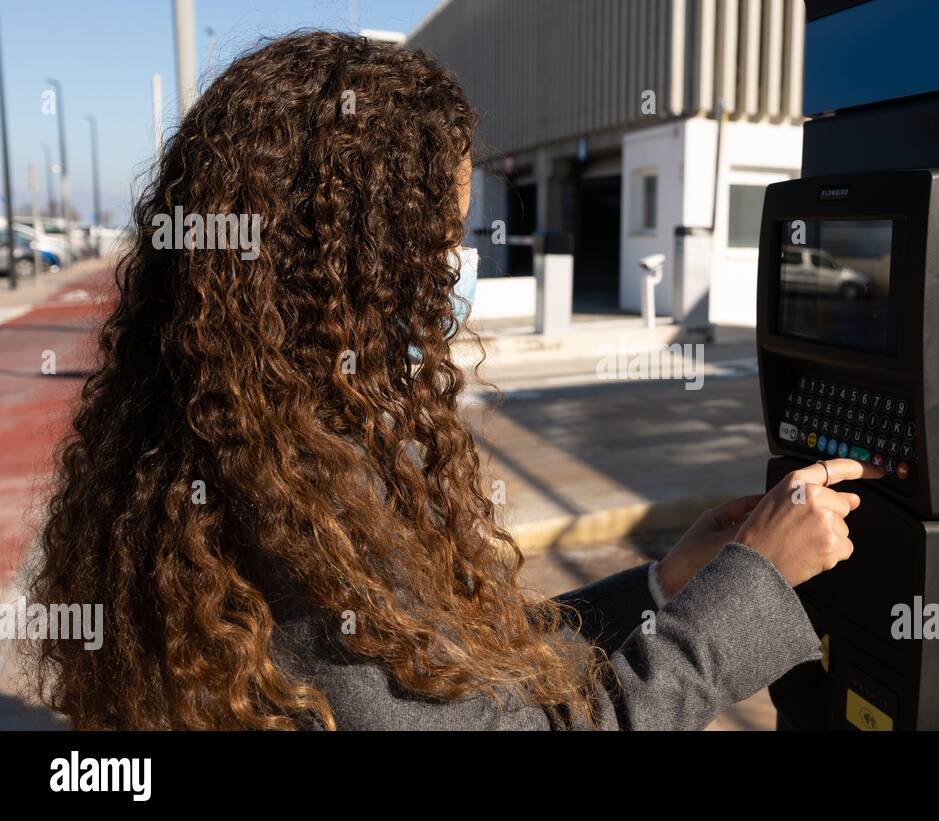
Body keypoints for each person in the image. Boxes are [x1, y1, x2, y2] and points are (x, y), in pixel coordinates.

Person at [25, 31, 877, 730]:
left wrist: (666, 586)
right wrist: (749, 590)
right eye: (436, 234)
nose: (451, 264)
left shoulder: (227, 431)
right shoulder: (299, 505)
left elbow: (450, 667)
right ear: (347, 263)